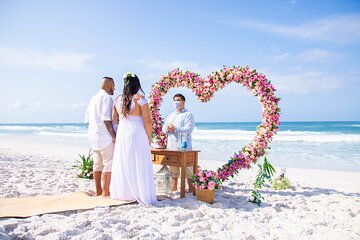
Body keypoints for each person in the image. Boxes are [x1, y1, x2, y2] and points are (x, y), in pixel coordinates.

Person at [110, 72, 157, 205]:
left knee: (124, 161)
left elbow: (115, 119)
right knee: (139, 161)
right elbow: (148, 121)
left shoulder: (118, 100)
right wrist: (149, 137)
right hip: (137, 133)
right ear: (137, 84)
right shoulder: (140, 99)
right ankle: (140, 191)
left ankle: (124, 193)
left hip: (123, 133)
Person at [85, 77, 116, 196]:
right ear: (109, 86)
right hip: (105, 137)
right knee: (109, 164)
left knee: (97, 165)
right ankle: (105, 192)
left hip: (93, 137)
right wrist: (113, 135)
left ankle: (98, 191)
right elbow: (106, 119)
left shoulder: (93, 98)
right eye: (113, 86)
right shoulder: (108, 98)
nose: (114, 88)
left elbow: (87, 118)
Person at [162, 93, 195, 192]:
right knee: (173, 169)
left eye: (178, 100)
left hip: (185, 146)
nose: (176, 102)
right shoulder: (171, 115)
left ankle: (191, 189)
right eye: (174, 100)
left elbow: (189, 129)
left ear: (183, 102)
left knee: (189, 169)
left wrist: (175, 129)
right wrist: (168, 129)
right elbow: (164, 128)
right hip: (172, 146)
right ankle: (174, 188)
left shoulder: (188, 115)